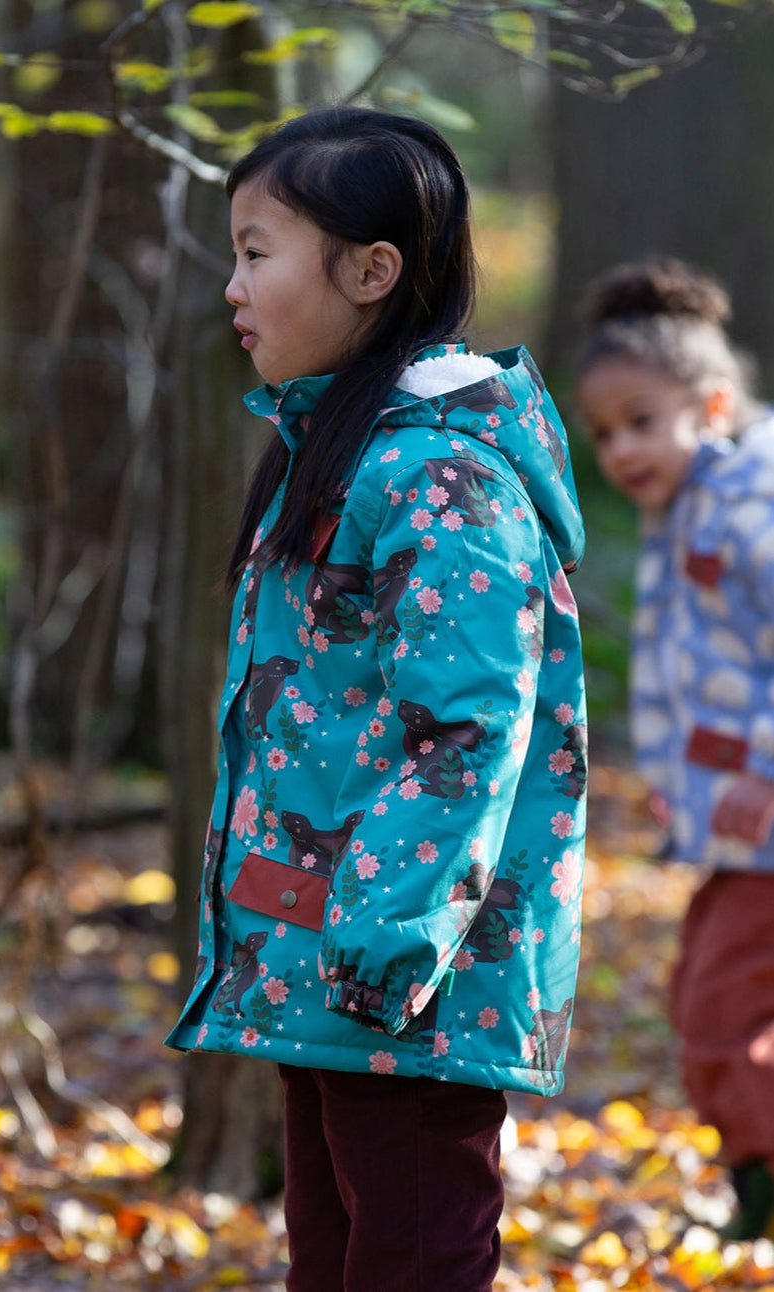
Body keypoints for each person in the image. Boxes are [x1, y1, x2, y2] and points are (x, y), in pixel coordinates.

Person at [166, 107, 588, 1292]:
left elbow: (467, 727)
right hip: (326, 953)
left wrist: (390, 936)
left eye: (257, 251)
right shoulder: (336, 451)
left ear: (369, 270)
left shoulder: (439, 475)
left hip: (404, 967)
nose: (233, 284)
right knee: (334, 1249)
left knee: (411, 1249)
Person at [576, 257, 774, 1242]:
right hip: (734, 832)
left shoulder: (750, 503)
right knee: (703, 990)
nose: (620, 448)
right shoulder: (681, 511)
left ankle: (763, 1174)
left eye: (641, 420)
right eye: (604, 431)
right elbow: (689, 667)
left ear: (714, 402)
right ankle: (752, 1169)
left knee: (715, 1003)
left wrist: (758, 766)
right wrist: (678, 781)